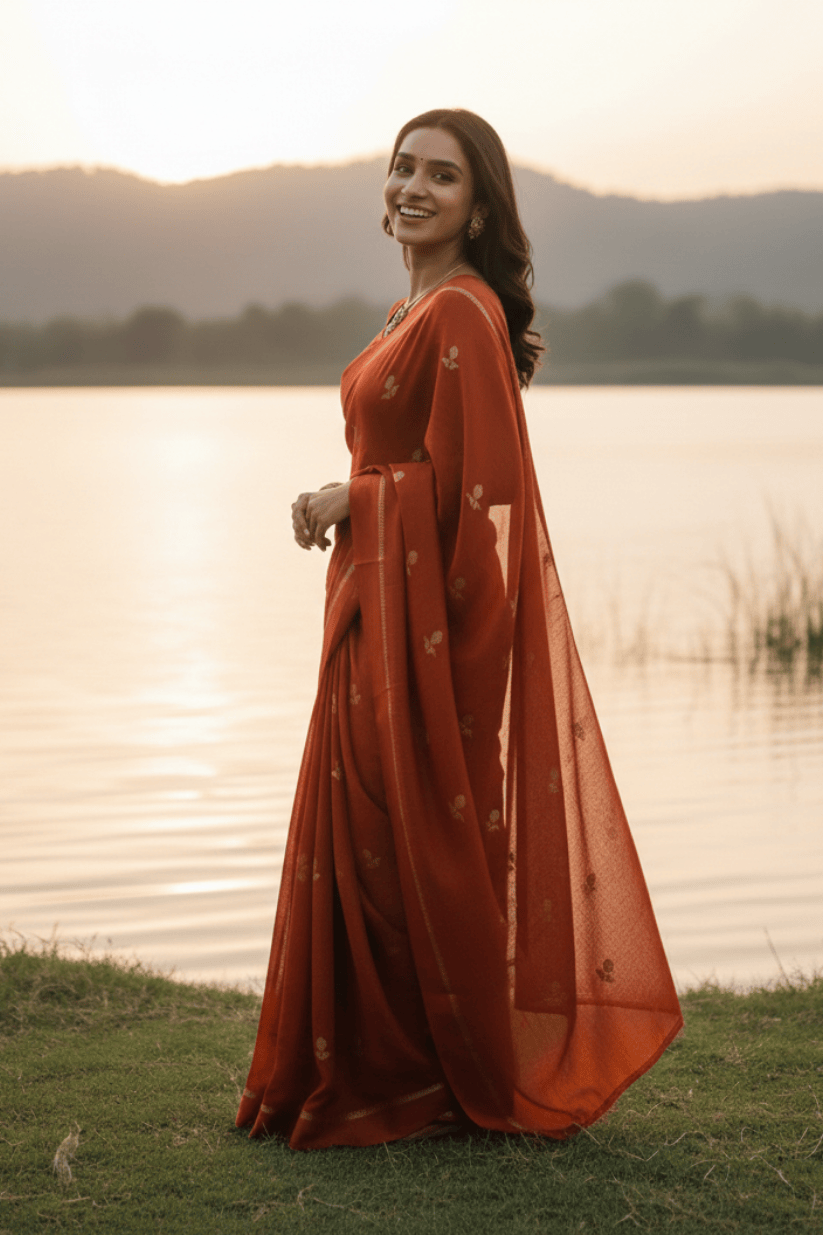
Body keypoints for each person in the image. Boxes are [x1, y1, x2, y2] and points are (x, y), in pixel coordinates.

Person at [235, 109, 683, 1150]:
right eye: (403, 167)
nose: (413, 186)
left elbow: (485, 489)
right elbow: (424, 463)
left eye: (442, 175)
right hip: (375, 610)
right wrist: (358, 500)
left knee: (407, 842)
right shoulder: (413, 308)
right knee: (367, 835)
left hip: (427, 627)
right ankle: (378, 1062)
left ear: (479, 209)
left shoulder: (462, 314)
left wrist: (354, 498)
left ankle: (424, 1073)